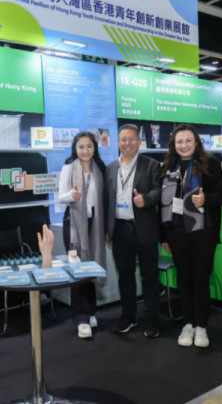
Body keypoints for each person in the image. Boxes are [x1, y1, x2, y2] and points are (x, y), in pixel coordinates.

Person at [161, 124, 222, 349]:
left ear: (197, 142)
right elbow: (163, 204)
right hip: (177, 232)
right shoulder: (168, 166)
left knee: (200, 279)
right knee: (184, 279)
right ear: (174, 145)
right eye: (179, 142)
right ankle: (188, 324)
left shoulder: (210, 164)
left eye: (188, 141)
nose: (184, 145)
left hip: (203, 232)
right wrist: (164, 236)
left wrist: (206, 199)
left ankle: (201, 326)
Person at [110, 125, 167, 338]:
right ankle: (128, 316)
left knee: (149, 276)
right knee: (124, 276)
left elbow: (159, 190)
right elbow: (107, 200)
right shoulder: (111, 168)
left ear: (139, 141)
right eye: (123, 139)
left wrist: (147, 199)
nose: (127, 143)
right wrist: (108, 229)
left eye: (132, 139)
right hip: (119, 229)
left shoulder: (152, 165)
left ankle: (151, 318)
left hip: (145, 228)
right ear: (118, 142)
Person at [56, 131, 114, 339]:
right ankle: (81, 319)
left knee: (91, 268)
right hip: (74, 224)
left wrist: (107, 228)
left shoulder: (100, 169)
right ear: (75, 148)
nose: (85, 151)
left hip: (95, 223)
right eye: (81, 147)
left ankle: (90, 312)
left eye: (89, 146)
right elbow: (60, 197)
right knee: (78, 270)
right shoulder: (68, 168)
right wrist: (72, 195)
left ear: (94, 148)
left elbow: (105, 201)